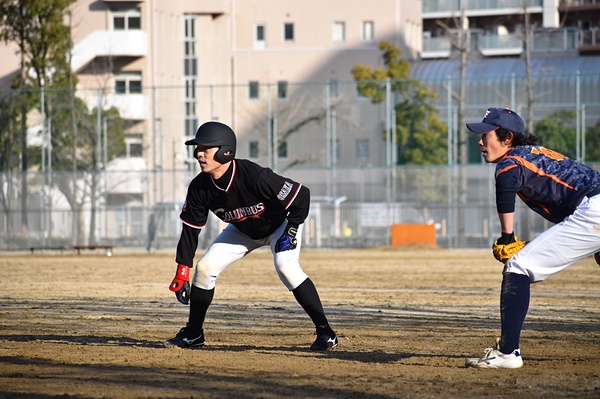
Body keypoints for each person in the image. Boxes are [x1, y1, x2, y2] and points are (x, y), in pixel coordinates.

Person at [164, 121, 338, 351]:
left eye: (206, 148)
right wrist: (182, 269)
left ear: (226, 151)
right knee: (205, 268)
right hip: (243, 230)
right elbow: (190, 230)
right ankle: (194, 333)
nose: (199, 153)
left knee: (286, 267)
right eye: (197, 148)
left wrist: (292, 228)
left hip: (280, 225)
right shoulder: (199, 187)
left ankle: (326, 332)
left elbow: (301, 196)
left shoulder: (254, 176)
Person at [464, 107, 600, 368]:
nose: (480, 142)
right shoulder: (533, 154)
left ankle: (507, 354)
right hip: (594, 204)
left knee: (518, 265)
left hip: (594, 210)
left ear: (507, 138)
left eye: (486, 135)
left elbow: (505, 185)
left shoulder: (510, 160)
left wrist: (507, 237)